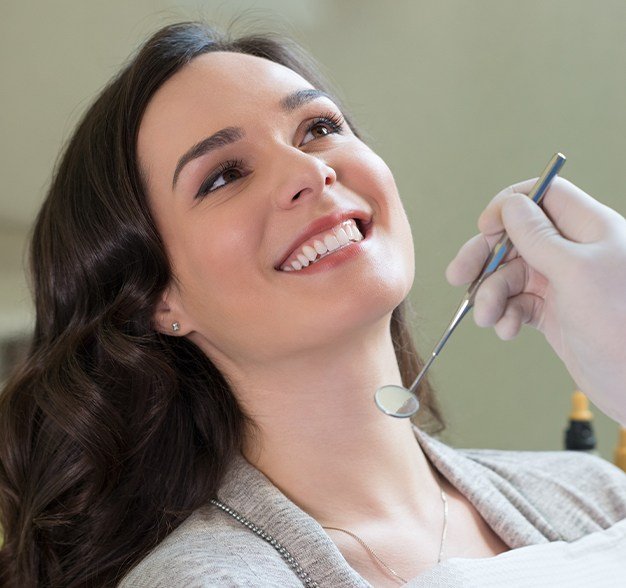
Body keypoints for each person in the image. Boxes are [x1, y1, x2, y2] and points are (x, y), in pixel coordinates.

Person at [0, 20, 624, 588]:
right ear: (159, 301)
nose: (309, 171)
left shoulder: (597, 496)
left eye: (319, 129)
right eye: (224, 175)